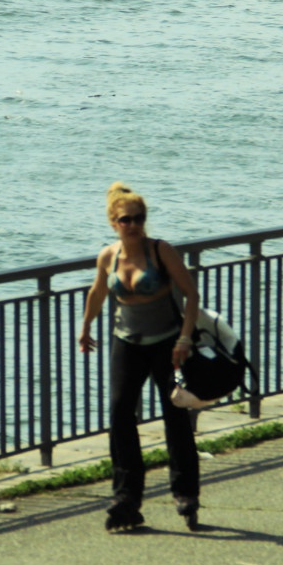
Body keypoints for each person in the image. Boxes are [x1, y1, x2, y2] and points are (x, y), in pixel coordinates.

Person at [78, 182, 201, 533]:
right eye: (125, 219)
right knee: (120, 414)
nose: (133, 225)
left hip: (166, 344)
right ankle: (126, 498)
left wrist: (184, 338)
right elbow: (97, 292)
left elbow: (191, 294)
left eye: (138, 218)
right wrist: (85, 327)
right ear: (113, 222)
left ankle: (185, 493)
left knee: (175, 416)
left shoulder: (161, 251)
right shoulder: (108, 256)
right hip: (126, 343)